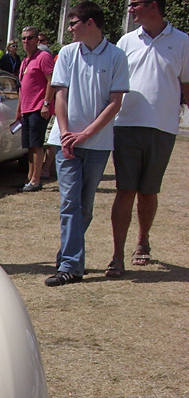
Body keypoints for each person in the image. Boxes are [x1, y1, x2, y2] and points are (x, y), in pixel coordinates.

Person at [44, 1, 128, 287]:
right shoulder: (67, 53)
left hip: (98, 143)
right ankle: (70, 266)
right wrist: (66, 133)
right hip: (65, 141)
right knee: (69, 202)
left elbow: (115, 103)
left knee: (85, 206)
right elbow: (61, 96)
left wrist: (86, 134)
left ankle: (67, 254)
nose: (69, 29)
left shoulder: (116, 55)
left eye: (73, 23)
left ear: (90, 23)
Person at [105, 0, 189, 277]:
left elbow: (187, 85)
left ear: (153, 5)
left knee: (149, 191)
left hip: (163, 127)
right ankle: (117, 255)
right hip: (126, 124)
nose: (130, 8)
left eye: (135, 3)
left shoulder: (182, 41)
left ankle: (142, 241)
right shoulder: (126, 41)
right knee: (125, 189)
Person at [18, 26, 54, 192]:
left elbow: (51, 81)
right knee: (29, 146)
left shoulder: (44, 57)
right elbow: (22, 88)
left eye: (30, 38)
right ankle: (29, 178)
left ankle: (36, 180)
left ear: (37, 40)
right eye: (24, 38)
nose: (26, 41)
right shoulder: (25, 60)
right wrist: (19, 110)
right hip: (26, 108)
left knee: (37, 144)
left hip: (38, 108)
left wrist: (46, 103)